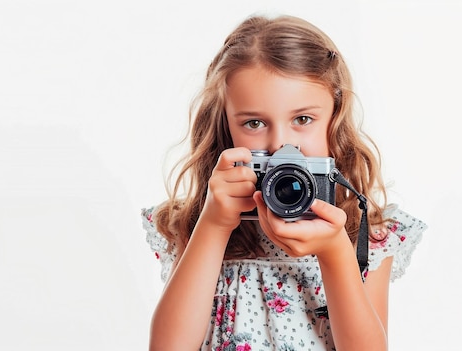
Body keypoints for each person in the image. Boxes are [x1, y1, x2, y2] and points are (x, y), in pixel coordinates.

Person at [141, 14, 427, 351]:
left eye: (302, 119)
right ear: (226, 125)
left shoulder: (369, 232)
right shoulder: (196, 222)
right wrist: (214, 225)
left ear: (334, 117)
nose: (281, 145)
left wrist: (335, 251)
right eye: (255, 122)